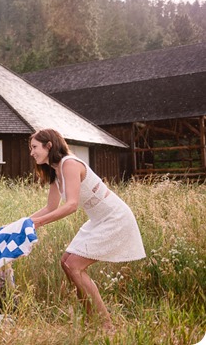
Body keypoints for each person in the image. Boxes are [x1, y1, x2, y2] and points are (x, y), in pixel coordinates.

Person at [28, 129, 145, 331]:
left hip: (114, 217)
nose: (31, 153)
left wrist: (38, 223)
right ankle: (92, 320)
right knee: (66, 262)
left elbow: (72, 205)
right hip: (98, 219)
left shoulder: (70, 164)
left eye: (34, 147)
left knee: (74, 265)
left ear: (49, 146)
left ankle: (106, 325)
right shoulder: (55, 172)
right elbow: (50, 207)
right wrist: (22, 223)